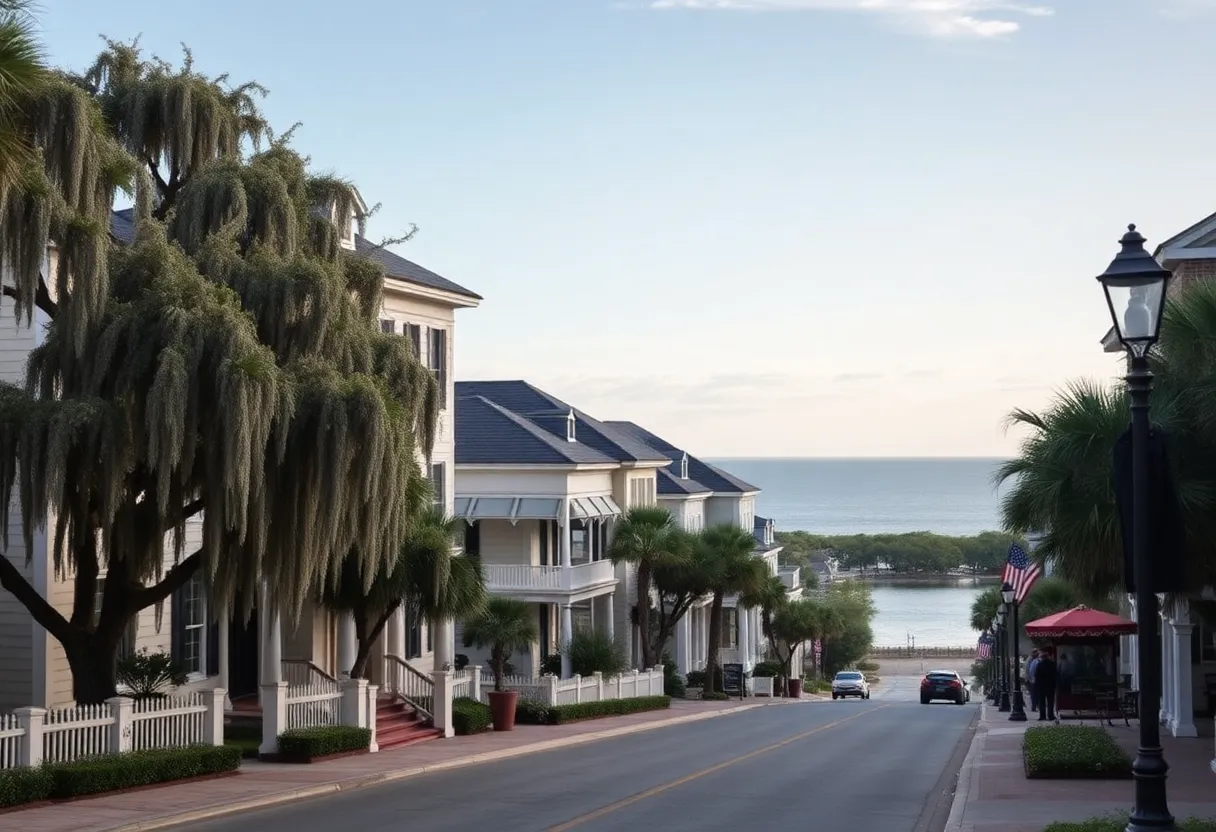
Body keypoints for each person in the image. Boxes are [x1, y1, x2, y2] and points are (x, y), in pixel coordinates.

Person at [1035, 649, 1058, 722]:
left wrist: (1037, 685)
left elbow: (1036, 676)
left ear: (1042, 657)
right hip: (1050, 686)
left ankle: (1042, 716)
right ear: (1048, 657)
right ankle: (1051, 715)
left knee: (1042, 702)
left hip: (1041, 687)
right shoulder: (1052, 664)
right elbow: (1055, 675)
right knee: (1050, 701)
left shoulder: (1039, 665)